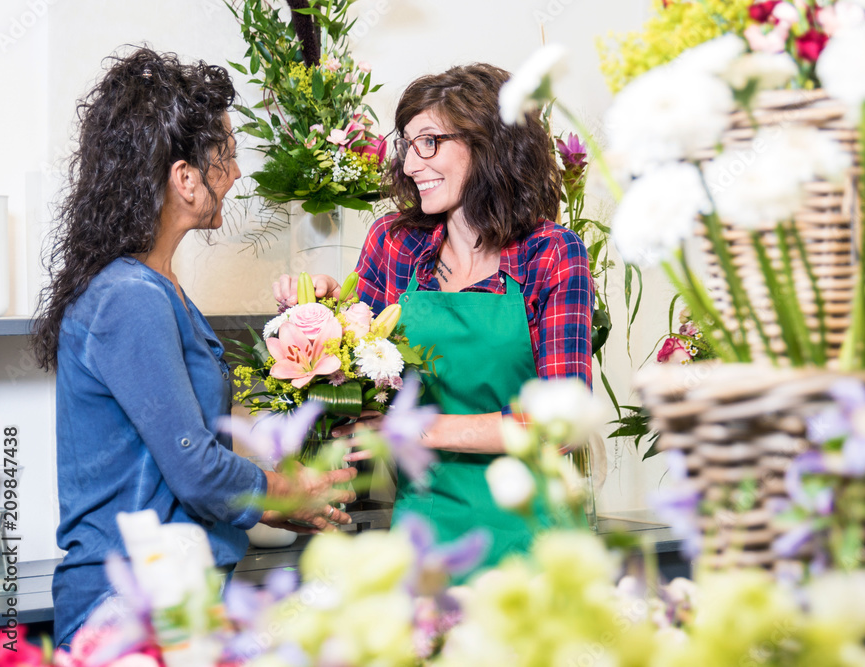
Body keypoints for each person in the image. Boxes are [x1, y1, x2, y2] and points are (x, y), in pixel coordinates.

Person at [32, 48, 356, 647]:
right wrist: (285, 491)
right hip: (128, 608)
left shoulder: (155, 287)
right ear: (185, 178)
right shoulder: (131, 297)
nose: (234, 174)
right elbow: (199, 471)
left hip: (172, 594)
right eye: (226, 156)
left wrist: (282, 500)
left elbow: (192, 453)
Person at [276, 63, 594, 569]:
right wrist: (321, 319)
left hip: (535, 538)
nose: (409, 164)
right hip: (425, 534)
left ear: (488, 141)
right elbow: (358, 380)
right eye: (407, 145)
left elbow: (564, 423)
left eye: (429, 142)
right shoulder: (395, 244)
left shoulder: (552, 254)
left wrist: (414, 431)